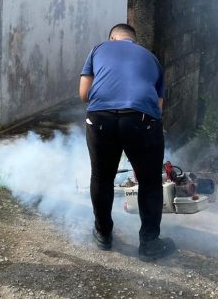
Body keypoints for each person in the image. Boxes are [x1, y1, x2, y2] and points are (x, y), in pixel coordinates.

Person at [79, 23, 174, 260]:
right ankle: (149, 244)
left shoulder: (98, 49)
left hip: (100, 117)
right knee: (149, 180)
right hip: (142, 118)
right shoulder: (151, 58)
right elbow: (158, 107)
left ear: (112, 38)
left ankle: (103, 234)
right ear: (134, 40)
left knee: (101, 177)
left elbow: (83, 94)